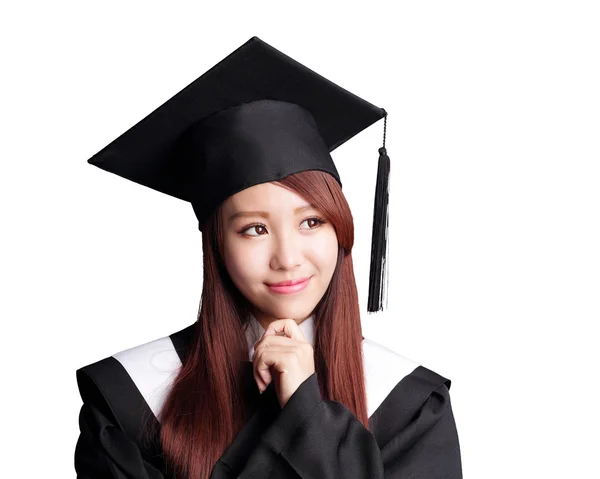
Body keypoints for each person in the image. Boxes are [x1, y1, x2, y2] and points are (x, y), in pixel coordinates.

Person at [74, 36, 463, 478]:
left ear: (341, 228)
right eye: (254, 229)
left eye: (311, 222)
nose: (288, 257)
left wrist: (305, 407)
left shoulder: (409, 405)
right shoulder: (130, 400)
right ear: (217, 244)